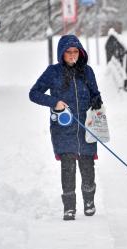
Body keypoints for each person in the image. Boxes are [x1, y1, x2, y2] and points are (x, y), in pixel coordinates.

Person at [29, 35, 103, 221]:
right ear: (62, 54)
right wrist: (54, 102)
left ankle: (89, 202)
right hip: (64, 128)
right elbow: (34, 93)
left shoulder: (87, 72)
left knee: (87, 167)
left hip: (86, 127)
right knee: (68, 167)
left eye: (75, 52)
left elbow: (95, 92)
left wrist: (96, 99)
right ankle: (69, 208)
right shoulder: (53, 72)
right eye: (68, 52)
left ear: (80, 53)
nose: (72, 56)